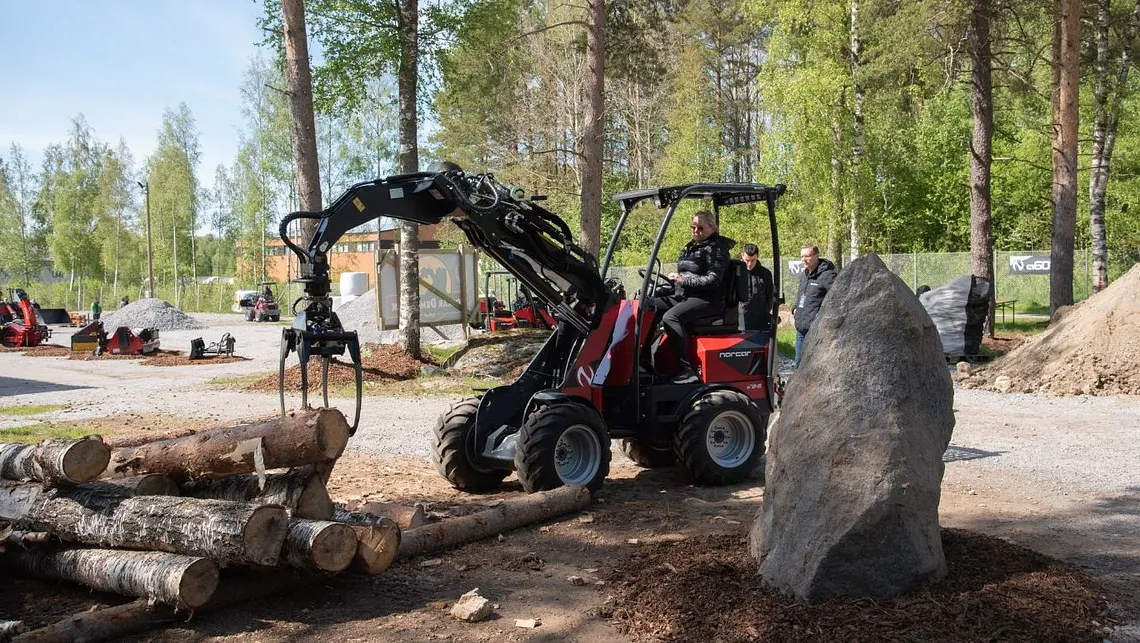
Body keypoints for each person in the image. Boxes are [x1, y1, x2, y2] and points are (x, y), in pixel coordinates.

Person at [652, 210, 735, 384]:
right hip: (686, 295)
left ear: (712, 227)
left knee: (671, 317)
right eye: (693, 227)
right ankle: (646, 362)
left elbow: (713, 280)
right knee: (648, 305)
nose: (696, 231)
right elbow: (685, 277)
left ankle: (686, 370)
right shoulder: (691, 247)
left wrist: (683, 280)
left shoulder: (717, 249)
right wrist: (666, 288)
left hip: (709, 300)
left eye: (700, 228)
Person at [792, 244, 837, 367]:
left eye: (807, 256)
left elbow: (836, 300)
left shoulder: (828, 275)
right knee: (799, 363)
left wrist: (820, 315)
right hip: (801, 328)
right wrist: (794, 309)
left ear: (816, 256)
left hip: (816, 330)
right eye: (802, 256)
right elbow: (802, 295)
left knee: (813, 366)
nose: (804, 259)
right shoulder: (804, 275)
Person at [738, 243, 774, 332]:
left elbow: (770, 295)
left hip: (761, 318)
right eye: (747, 260)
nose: (749, 264)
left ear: (757, 256)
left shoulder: (765, 274)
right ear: (742, 256)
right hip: (740, 318)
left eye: (753, 260)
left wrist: (765, 311)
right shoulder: (736, 272)